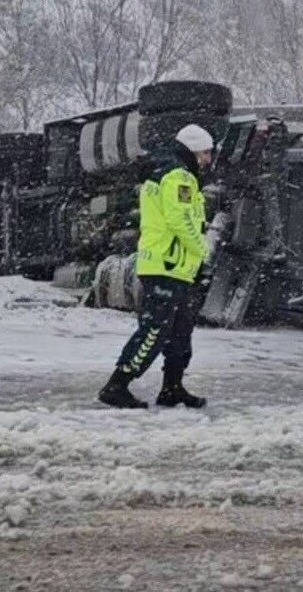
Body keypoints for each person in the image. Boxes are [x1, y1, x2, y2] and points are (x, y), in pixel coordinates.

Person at [97, 124, 213, 409]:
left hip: (174, 268)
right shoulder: (179, 177)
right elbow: (181, 221)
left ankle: (172, 387)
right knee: (155, 330)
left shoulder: (167, 174)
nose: (209, 159)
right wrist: (202, 250)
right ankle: (117, 384)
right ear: (194, 150)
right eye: (206, 152)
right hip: (167, 266)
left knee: (180, 332)